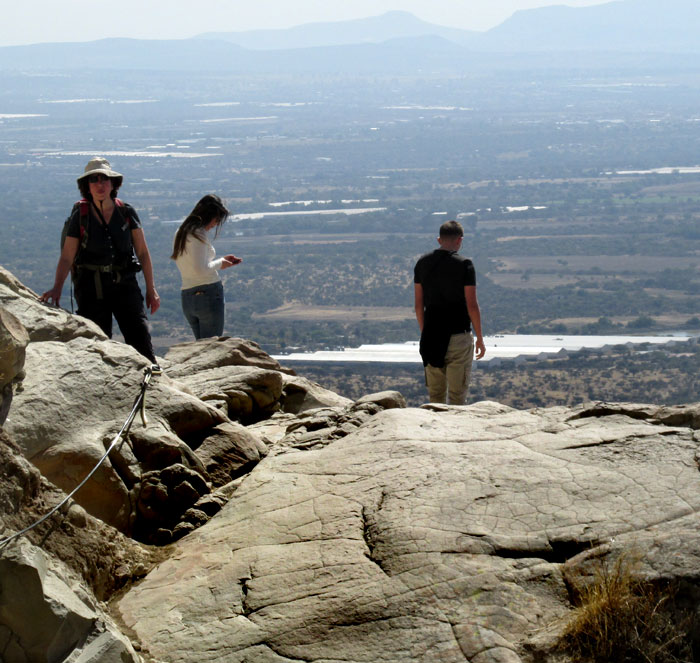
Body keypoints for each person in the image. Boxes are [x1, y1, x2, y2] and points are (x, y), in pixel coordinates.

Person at [40, 157, 159, 363]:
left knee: (141, 342)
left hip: (125, 285)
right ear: (87, 186)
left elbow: (142, 252)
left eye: (104, 179)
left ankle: (151, 387)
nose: (100, 184)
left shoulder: (126, 212)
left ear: (113, 184)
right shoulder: (81, 216)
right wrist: (57, 287)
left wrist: (151, 288)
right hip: (91, 290)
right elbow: (67, 256)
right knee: (98, 348)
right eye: (94, 180)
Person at [413, 220, 486, 404]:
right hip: (458, 338)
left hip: (431, 337)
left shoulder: (422, 263)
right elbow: (472, 305)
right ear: (459, 240)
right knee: (457, 398)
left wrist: (425, 333)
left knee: (435, 398)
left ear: (439, 240)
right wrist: (480, 338)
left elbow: (418, 305)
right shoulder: (465, 265)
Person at [171, 194, 242, 339]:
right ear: (209, 216)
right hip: (208, 294)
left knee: (201, 346)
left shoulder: (181, 232)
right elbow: (200, 269)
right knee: (212, 346)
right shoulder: (199, 233)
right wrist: (220, 263)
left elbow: (192, 264)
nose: (216, 224)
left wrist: (221, 260)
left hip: (187, 296)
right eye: (216, 220)